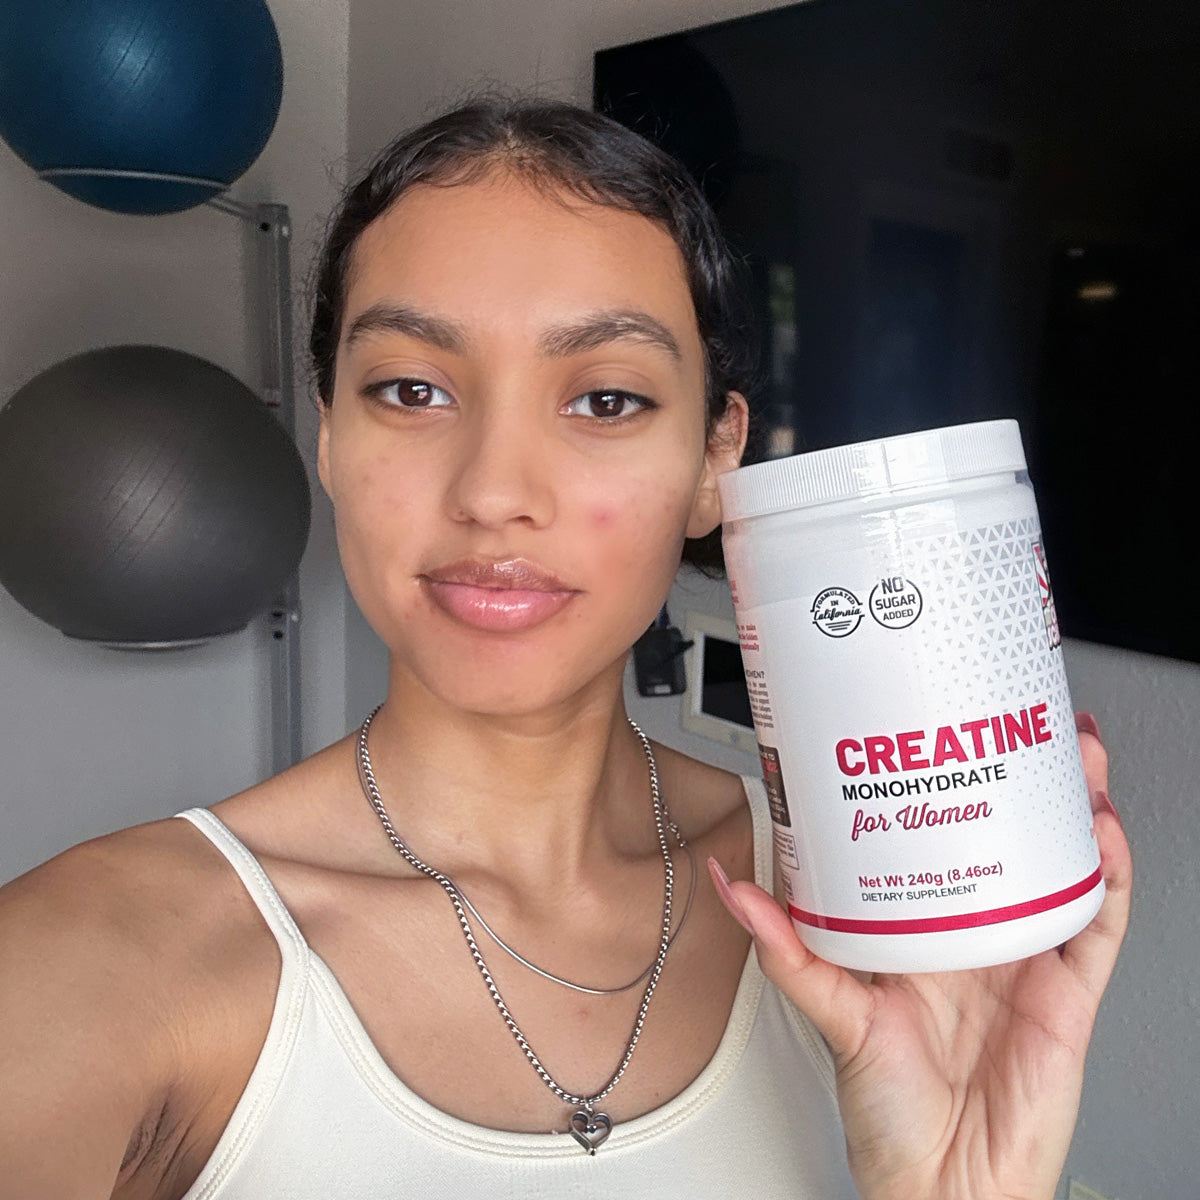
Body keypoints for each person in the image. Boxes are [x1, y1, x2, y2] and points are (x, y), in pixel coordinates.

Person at [0, 99, 1130, 1200]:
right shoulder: (97, 961)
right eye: (411, 388)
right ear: (332, 437)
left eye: (602, 399)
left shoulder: (866, 902)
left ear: (714, 458)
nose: (494, 492)